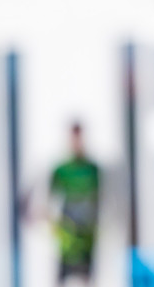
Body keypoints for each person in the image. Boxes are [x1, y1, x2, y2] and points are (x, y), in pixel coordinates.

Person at [49, 122, 101, 285]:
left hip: (87, 232)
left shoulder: (92, 169)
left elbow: (99, 200)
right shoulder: (61, 170)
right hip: (67, 233)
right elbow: (50, 201)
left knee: (86, 276)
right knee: (63, 275)